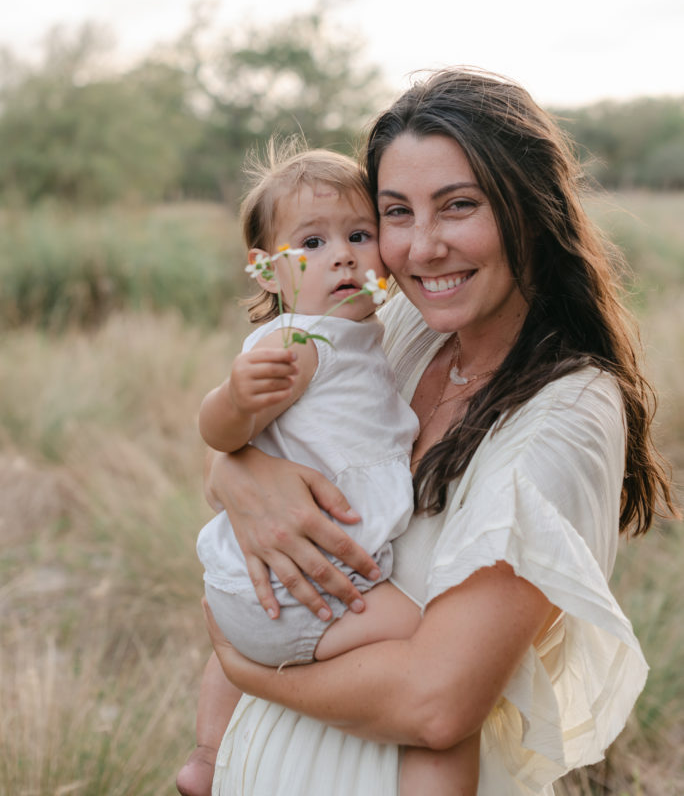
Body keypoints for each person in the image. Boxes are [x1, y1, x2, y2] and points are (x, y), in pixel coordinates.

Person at [201, 68, 678, 795]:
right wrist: (242, 475)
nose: (422, 249)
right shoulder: (396, 329)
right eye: (396, 212)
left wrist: (249, 668)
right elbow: (256, 448)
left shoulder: (568, 412)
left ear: (531, 210)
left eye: (458, 206)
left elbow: (436, 705)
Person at [177, 145, 481, 796]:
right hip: (305, 590)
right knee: (439, 666)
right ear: (266, 272)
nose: (341, 254)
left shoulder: (365, 328)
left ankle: (207, 756)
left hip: (250, 593)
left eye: (359, 234)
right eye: (311, 242)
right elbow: (219, 430)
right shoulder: (299, 342)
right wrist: (232, 400)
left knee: (230, 647)